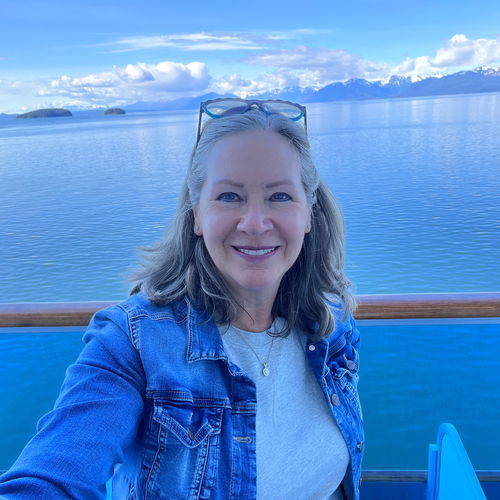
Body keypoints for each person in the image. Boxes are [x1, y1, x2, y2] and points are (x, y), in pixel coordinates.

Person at [0, 99, 364, 499]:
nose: (255, 223)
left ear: (308, 212)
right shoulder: (135, 343)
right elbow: (52, 475)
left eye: (279, 196)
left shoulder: (329, 321)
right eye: (229, 196)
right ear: (196, 214)